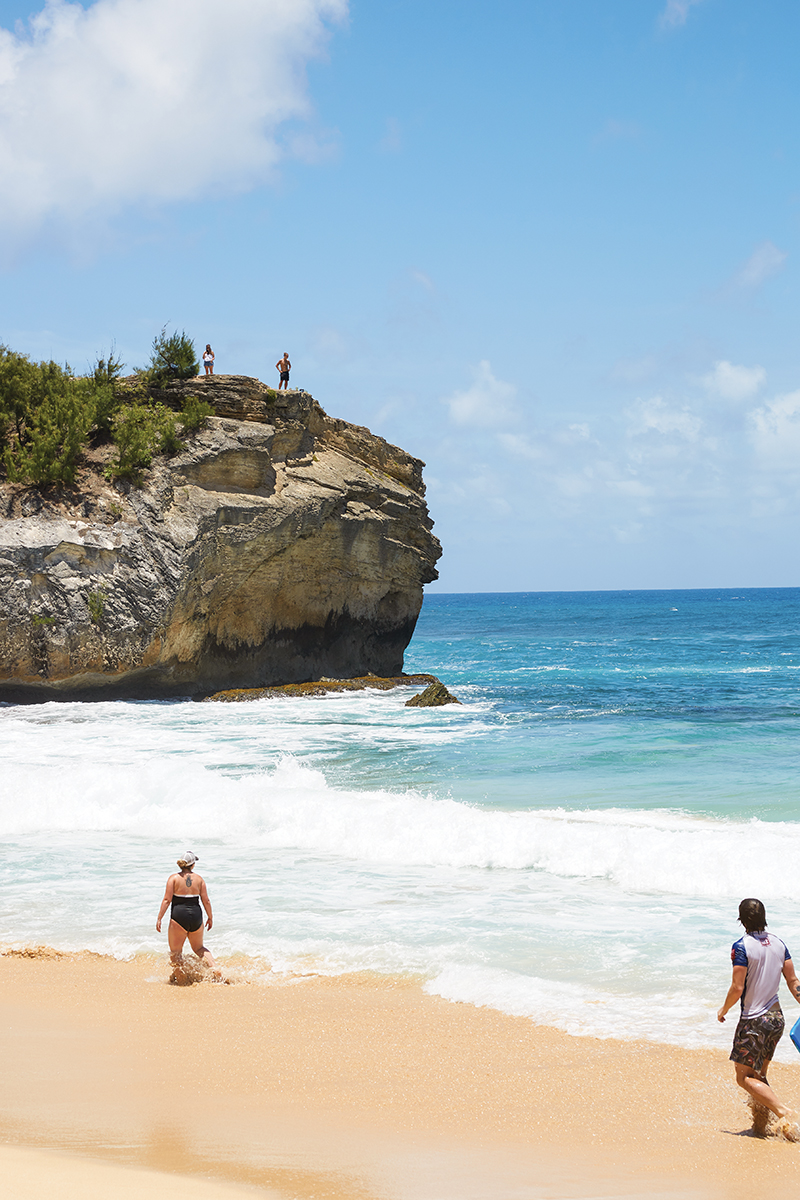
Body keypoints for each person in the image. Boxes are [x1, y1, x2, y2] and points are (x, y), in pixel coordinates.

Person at [717, 897, 800, 1138]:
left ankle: (784, 1113)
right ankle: (765, 1127)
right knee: (759, 1075)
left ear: (741, 919)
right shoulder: (778, 943)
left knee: (743, 1078)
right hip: (776, 1019)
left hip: (755, 1020)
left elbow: (737, 987)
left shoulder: (741, 946)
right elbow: (793, 982)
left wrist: (723, 1010)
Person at [156, 851, 220, 983]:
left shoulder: (173, 878)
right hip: (196, 914)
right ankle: (214, 967)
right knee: (199, 948)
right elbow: (206, 900)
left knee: (176, 952)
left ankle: (181, 980)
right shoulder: (199, 879)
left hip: (179, 915)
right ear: (193, 865)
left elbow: (167, 900)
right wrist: (210, 917)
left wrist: (159, 918)